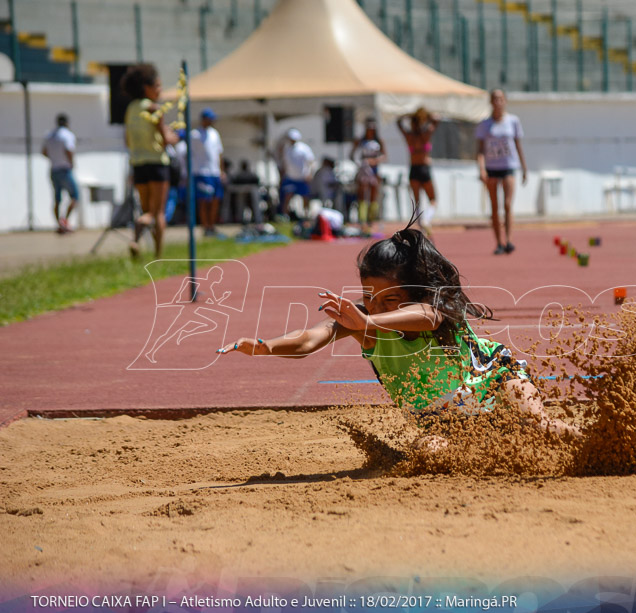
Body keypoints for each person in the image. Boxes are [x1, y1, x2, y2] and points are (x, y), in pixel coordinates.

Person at [217, 223, 578, 439]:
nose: (374, 306)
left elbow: (427, 317)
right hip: (439, 420)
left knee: (541, 425)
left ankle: (600, 446)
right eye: (367, 297)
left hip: (494, 377)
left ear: (412, 291)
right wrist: (266, 347)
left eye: (389, 299)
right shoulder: (362, 320)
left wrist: (368, 322)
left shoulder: (429, 310)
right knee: (433, 452)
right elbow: (311, 339)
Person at [122, 63, 178, 258]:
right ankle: (158, 255)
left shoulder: (131, 109)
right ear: (146, 87)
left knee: (146, 209)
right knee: (158, 213)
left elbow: (127, 139)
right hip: (157, 163)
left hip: (138, 164)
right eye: (157, 86)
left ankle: (137, 238)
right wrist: (176, 136)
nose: (160, 90)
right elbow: (165, 140)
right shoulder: (155, 109)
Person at [476, 89, 527, 255]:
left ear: (505, 101)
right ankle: (498, 242)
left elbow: (518, 145)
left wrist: (524, 167)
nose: (498, 102)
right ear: (491, 102)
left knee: (507, 204)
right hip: (492, 167)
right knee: (495, 207)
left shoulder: (513, 121)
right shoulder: (484, 124)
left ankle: (509, 240)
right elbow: (480, 150)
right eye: (495, 99)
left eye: (500, 99)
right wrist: (482, 168)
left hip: (509, 166)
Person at [397, 107, 440, 235]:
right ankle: (426, 219)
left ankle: (421, 227)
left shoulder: (409, 136)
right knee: (433, 199)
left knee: (417, 202)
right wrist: (427, 116)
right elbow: (437, 120)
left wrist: (408, 115)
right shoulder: (425, 134)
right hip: (424, 168)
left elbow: (398, 123)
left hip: (413, 169)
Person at [191, 108, 226, 238]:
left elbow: (219, 153)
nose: (211, 121)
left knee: (215, 200)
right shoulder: (194, 134)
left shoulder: (214, 133)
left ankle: (212, 225)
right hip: (201, 172)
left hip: (214, 172)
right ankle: (205, 227)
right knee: (204, 200)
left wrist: (221, 170)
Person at [42, 113, 78, 234]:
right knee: (75, 197)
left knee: (57, 199)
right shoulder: (67, 135)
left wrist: (54, 158)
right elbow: (69, 150)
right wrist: (71, 162)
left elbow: (44, 152)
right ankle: (65, 222)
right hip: (64, 169)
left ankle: (59, 224)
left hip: (54, 169)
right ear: (67, 123)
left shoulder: (50, 135)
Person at [352, 117, 387, 237]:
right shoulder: (360, 141)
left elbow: (384, 156)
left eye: (372, 128)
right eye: (368, 128)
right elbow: (352, 154)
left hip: (374, 170)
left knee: (373, 193)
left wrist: (374, 160)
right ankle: (362, 220)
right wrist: (360, 162)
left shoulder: (379, 141)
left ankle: (372, 220)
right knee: (362, 193)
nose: (370, 130)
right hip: (363, 170)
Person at [277, 128, 315, 220]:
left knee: (305, 197)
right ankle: (285, 216)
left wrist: (309, 173)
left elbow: (311, 161)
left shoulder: (304, 148)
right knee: (287, 197)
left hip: (302, 177)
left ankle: (306, 215)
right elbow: (284, 162)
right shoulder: (286, 149)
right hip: (290, 177)